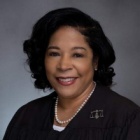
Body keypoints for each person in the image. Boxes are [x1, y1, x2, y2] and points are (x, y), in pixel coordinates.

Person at [3, 7, 140, 140]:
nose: (63, 66)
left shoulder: (126, 118)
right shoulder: (26, 116)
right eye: (54, 54)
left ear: (95, 61)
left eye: (77, 55)